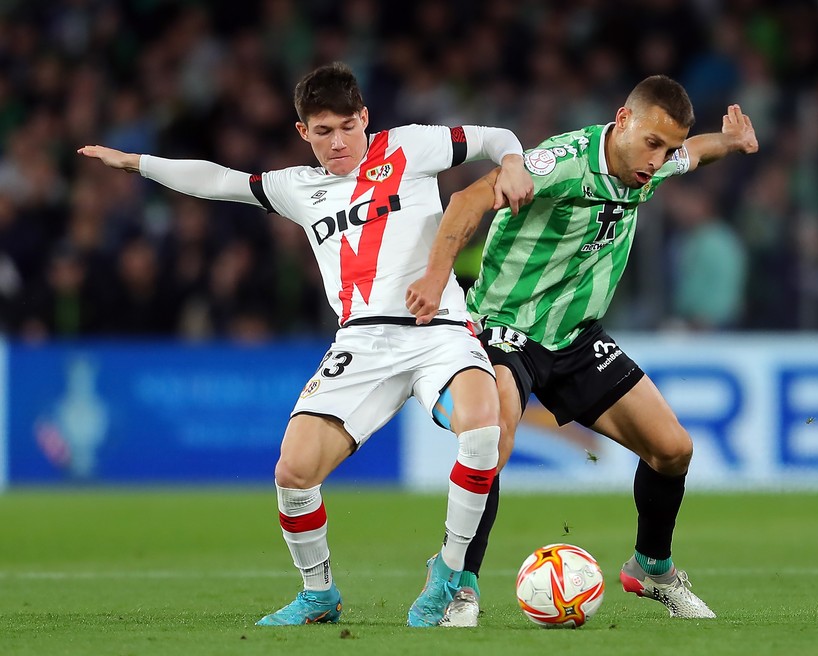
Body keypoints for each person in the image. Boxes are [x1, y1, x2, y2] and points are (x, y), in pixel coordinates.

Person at [79, 62, 534, 628]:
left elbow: (496, 138)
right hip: (361, 345)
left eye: (348, 126)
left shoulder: (409, 147)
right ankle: (319, 595)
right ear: (303, 133)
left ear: (365, 118)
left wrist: (512, 163)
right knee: (293, 472)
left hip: (438, 331)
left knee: (483, 424)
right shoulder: (298, 188)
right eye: (323, 132)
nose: (338, 142)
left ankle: (448, 572)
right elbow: (218, 180)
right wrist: (135, 162)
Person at [406, 75, 758, 625]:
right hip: (506, 327)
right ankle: (459, 583)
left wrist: (729, 142)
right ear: (623, 120)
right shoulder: (562, 163)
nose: (659, 159)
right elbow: (467, 199)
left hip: (576, 337)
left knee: (673, 449)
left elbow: (694, 153)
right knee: (491, 442)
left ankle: (651, 567)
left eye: (666, 148)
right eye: (652, 144)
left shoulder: (651, 161)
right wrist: (434, 279)